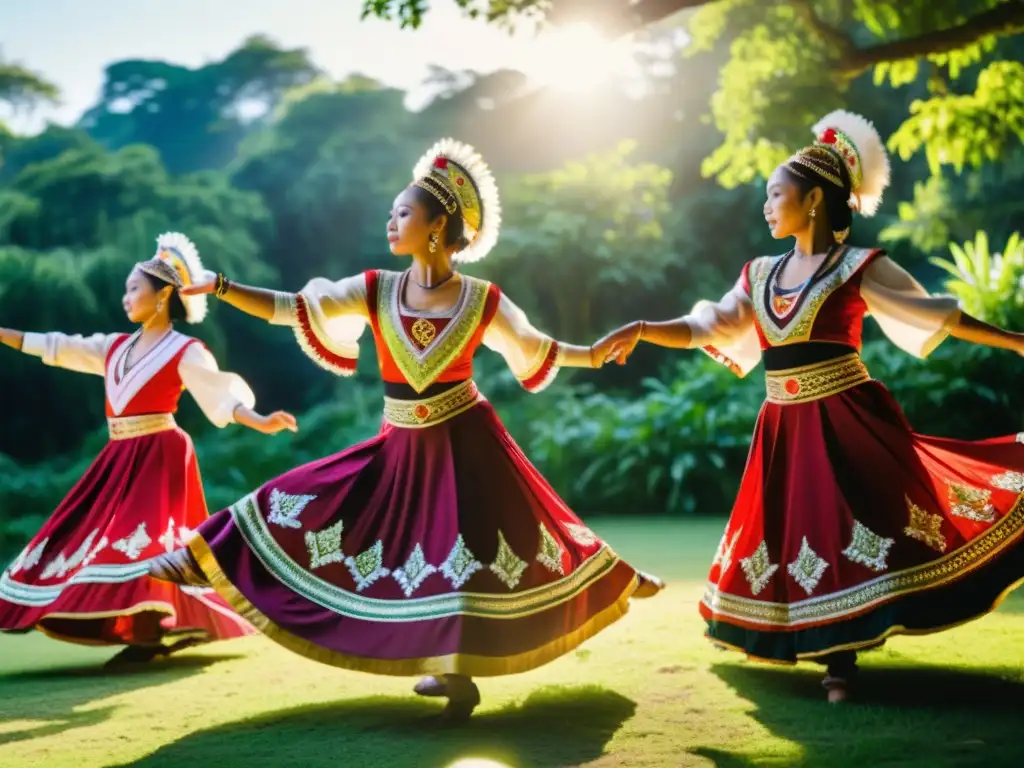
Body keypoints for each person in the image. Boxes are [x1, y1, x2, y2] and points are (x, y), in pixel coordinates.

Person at [147, 139, 663, 719]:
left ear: (437, 224)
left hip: (467, 443)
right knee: (306, 498)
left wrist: (594, 355)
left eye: (403, 213)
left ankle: (593, 590)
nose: (390, 222)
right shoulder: (376, 289)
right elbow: (293, 306)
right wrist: (220, 285)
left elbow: (536, 347)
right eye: (392, 213)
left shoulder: (481, 298)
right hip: (400, 445)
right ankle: (204, 553)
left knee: (484, 547)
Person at [596, 110, 1024, 703]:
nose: (768, 206)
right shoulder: (760, 273)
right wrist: (645, 327)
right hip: (784, 424)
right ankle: (830, 654)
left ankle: (840, 664)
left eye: (777, 194)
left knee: (849, 530)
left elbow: (938, 315)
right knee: (800, 537)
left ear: (814, 199)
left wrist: (1017, 341)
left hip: (848, 418)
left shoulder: (858, 268)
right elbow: (709, 325)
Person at [0, 232, 298, 665]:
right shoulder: (114, 347)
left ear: (162, 295)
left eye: (133, 289)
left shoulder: (185, 349)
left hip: (160, 452)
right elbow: (57, 345)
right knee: (88, 533)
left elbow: (218, 394)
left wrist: (259, 420)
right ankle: (145, 628)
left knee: (145, 540)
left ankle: (146, 634)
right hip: (119, 455)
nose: (126, 297)